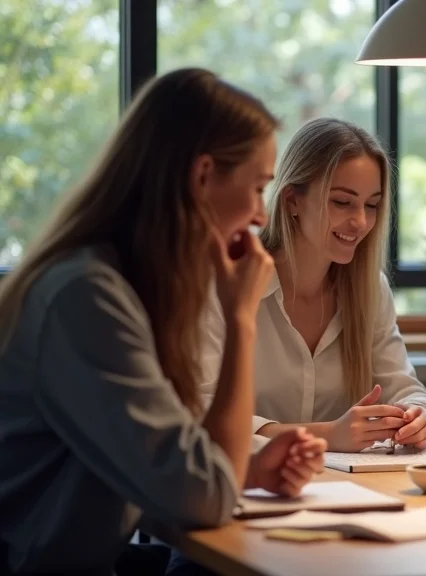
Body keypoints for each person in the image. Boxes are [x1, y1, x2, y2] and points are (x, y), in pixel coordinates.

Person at [0, 68, 327, 575]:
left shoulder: (123, 285)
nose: (261, 216)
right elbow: (201, 497)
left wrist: (247, 469)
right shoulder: (86, 299)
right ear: (201, 177)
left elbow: (176, 470)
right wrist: (241, 317)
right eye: (258, 187)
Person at [200, 117, 426, 454]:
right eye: (342, 202)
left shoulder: (370, 289)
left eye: (371, 205)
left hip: (346, 490)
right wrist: (325, 435)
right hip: (245, 487)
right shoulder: (225, 281)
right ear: (292, 201)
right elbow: (201, 412)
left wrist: (419, 417)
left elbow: (406, 390)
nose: (360, 221)